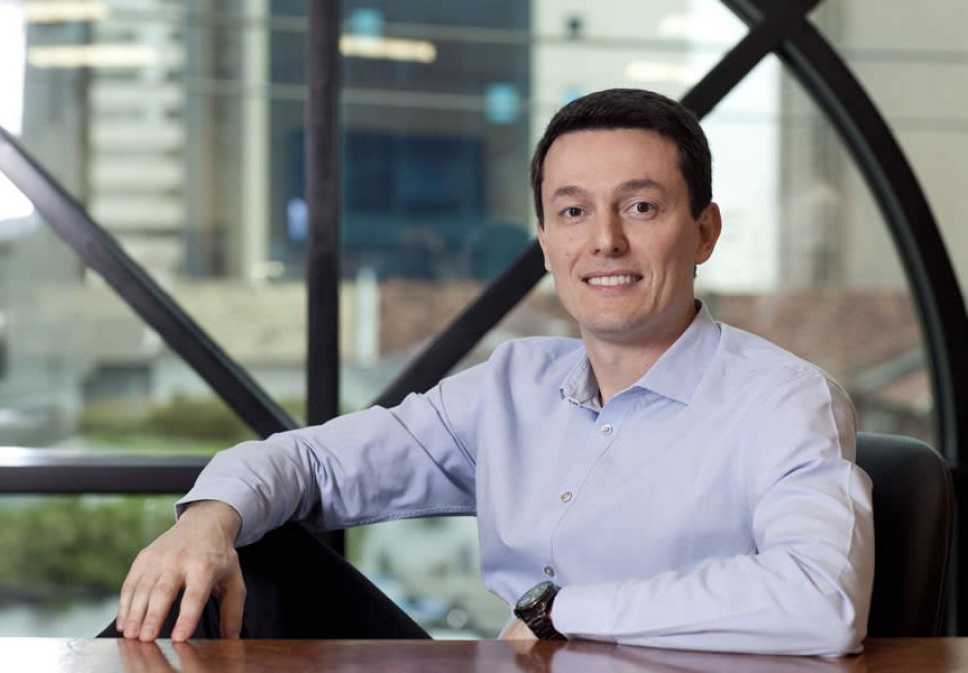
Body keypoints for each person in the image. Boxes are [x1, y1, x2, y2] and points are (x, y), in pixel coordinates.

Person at [114, 88, 873, 655]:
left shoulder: (783, 400)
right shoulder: (515, 386)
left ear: (704, 231)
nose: (605, 241)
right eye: (573, 212)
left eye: (641, 208)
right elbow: (312, 463)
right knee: (250, 550)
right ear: (545, 241)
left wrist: (558, 609)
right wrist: (206, 521)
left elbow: (822, 599)